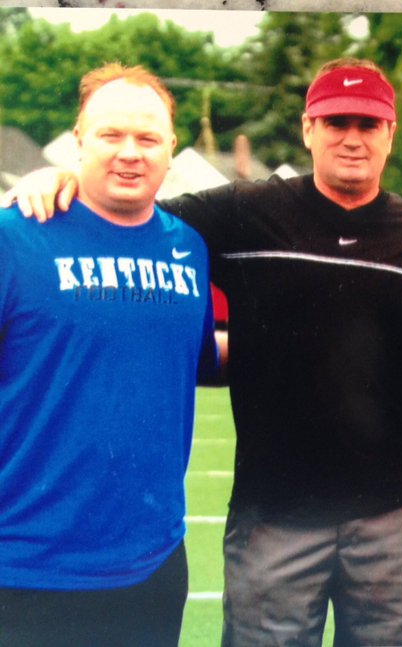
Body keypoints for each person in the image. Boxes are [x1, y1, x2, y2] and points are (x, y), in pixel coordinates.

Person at [4, 57, 402, 647]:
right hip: (268, 516)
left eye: (368, 124)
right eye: (335, 121)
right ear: (308, 129)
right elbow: (117, 211)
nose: (351, 137)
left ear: (390, 133)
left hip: (389, 516)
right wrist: (53, 180)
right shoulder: (236, 213)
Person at [0, 63, 218, 646]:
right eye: (110, 135)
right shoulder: (15, 235)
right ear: (77, 142)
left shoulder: (189, 250)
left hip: (152, 562)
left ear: (171, 148)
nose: (130, 153)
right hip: (25, 567)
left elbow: (195, 357)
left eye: (148, 138)